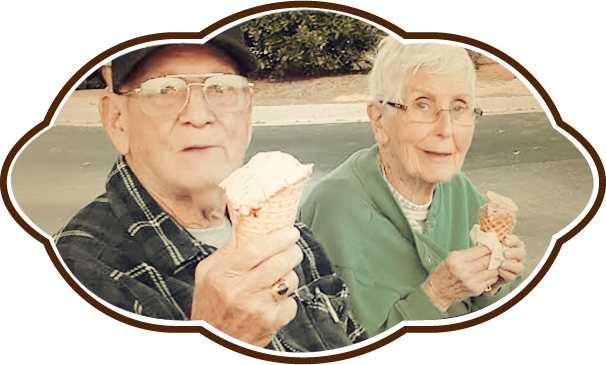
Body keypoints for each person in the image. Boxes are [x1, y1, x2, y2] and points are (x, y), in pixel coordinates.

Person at [16, 9, 381, 353]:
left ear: (249, 112)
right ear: (117, 121)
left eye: (221, 88)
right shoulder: (80, 274)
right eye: (164, 89)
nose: (199, 114)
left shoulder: (292, 238)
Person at [299, 34, 526, 353]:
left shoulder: (459, 190)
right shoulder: (334, 208)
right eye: (423, 105)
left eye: (459, 108)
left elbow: (498, 327)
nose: (446, 128)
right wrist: (436, 295)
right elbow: (338, 347)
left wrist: (494, 286)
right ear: (379, 120)